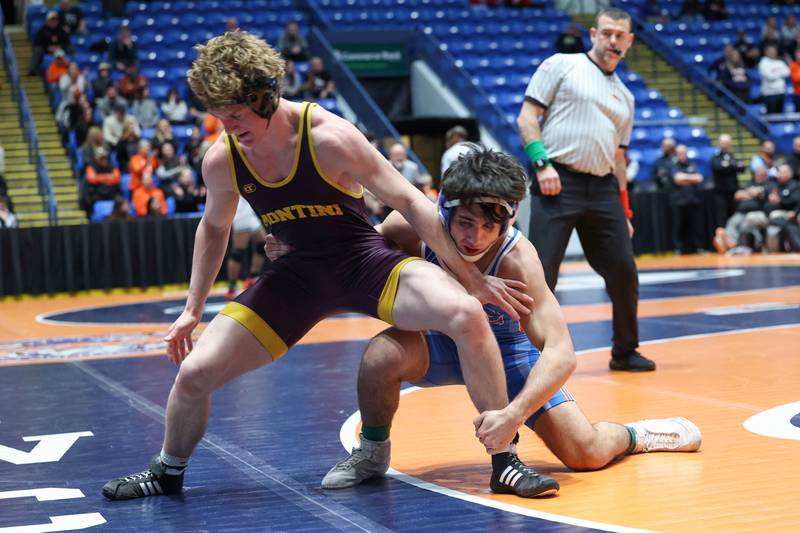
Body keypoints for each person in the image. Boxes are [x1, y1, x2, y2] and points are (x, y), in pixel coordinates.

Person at [102, 30, 539, 501]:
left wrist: (471, 278)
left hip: (362, 259)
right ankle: (167, 472)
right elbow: (214, 228)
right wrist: (193, 309)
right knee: (193, 374)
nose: (229, 127)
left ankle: (505, 461)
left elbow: (411, 202)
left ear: (265, 96)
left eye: (237, 115)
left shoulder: (330, 138)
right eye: (219, 117)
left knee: (467, 314)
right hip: (296, 276)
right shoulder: (222, 160)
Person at [266, 148, 702, 491]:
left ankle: (640, 434)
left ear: (508, 220)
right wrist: (298, 252)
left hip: (508, 353)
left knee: (583, 453)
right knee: (381, 354)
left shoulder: (518, 261)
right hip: (436, 345)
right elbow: (350, 259)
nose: (475, 238)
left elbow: (562, 351)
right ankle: (372, 453)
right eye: (466, 223)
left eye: (488, 228)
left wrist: (513, 413)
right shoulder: (411, 226)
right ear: (443, 209)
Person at [516, 8, 655, 372]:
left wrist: (624, 211)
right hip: (558, 180)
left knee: (624, 270)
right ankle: (528, 355)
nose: (612, 41)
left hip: (605, 188)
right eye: (606, 33)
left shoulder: (625, 97)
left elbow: (620, 159)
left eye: (620, 36)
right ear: (593, 33)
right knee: (541, 271)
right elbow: (527, 117)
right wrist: (541, 163)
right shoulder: (563, 64)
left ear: (629, 41)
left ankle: (625, 351)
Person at [225, 195, 267, 300]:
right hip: (240, 210)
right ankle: (231, 288)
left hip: (249, 209)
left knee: (262, 245)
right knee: (237, 253)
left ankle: (252, 278)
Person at [668, 144, 705, 254]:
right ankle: (678, 248)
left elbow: (700, 178)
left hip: (693, 199)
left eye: (684, 153)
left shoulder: (692, 164)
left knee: (696, 226)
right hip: (679, 201)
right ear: (676, 154)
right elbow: (677, 179)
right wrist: (691, 178)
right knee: (678, 226)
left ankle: (698, 247)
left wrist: (685, 178)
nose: (682, 155)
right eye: (680, 153)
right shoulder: (673, 165)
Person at [711, 134, 745, 228]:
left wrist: (728, 165)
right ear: (719, 144)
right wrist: (732, 166)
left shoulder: (733, 156)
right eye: (723, 143)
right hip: (720, 192)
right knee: (721, 216)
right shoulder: (715, 157)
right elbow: (718, 167)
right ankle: (722, 239)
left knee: (734, 216)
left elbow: (741, 168)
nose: (725, 145)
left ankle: (733, 238)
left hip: (733, 191)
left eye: (727, 143)